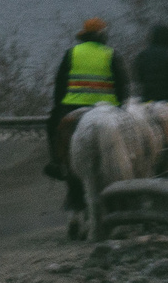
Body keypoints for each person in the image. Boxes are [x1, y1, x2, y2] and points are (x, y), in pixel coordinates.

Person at [45, 18, 118, 198]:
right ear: (102, 35)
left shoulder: (71, 53)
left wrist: (59, 107)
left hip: (73, 106)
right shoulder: (111, 54)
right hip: (107, 108)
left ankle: (57, 164)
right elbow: (122, 85)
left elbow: (60, 85)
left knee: (52, 125)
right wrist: (121, 107)